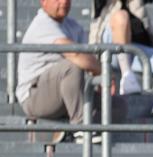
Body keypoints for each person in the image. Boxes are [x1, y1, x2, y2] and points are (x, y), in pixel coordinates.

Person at [89, 0, 153, 117]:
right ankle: (127, 76)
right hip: (110, 48)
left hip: (136, 50)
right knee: (121, 16)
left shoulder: (136, 3)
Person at [16, 0, 101, 141]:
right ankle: (81, 128)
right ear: (43, 2)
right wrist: (103, 73)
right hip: (34, 96)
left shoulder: (73, 26)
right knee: (72, 66)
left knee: (119, 107)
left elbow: (90, 58)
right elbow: (77, 56)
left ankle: (67, 128)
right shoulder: (42, 24)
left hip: (64, 93)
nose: (64, 2)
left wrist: (101, 76)